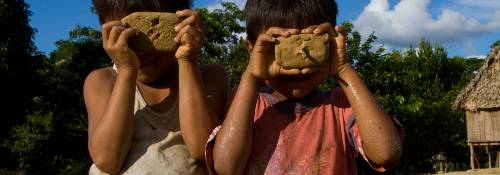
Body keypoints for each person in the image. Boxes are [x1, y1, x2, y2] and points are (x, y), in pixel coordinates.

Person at [205, 0, 404, 174]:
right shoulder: (248, 103)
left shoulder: (341, 104)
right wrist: (251, 76)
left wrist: (344, 70)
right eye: (281, 48)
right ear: (252, 49)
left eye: (311, 47)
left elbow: (386, 152)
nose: (298, 68)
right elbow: (226, 168)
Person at [84, 0, 228, 174]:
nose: (143, 50)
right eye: (129, 37)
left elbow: (201, 148)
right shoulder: (103, 81)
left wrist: (187, 60)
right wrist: (127, 70)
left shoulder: (210, 77)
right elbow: (108, 161)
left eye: (155, 31)